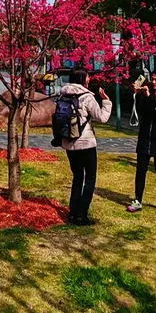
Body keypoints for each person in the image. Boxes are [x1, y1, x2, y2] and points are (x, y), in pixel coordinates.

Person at [53, 69, 112, 226]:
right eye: (87, 76)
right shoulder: (87, 97)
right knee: (90, 178)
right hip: (85, 142)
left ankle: (72, 214)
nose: (89, 79)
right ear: (82, 79)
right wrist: (106, 101)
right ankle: (81, 215)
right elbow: (102, 117)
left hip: (69, 143)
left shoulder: (63, 95)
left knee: (77, 177)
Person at [128, 71, 156, 214]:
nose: (153, 83)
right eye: (152, 80)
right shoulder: (146, 94)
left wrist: (150, 97)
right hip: (145, 137)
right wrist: (137, 95)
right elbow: (141, 111)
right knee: (141, 170)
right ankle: (137, 199)